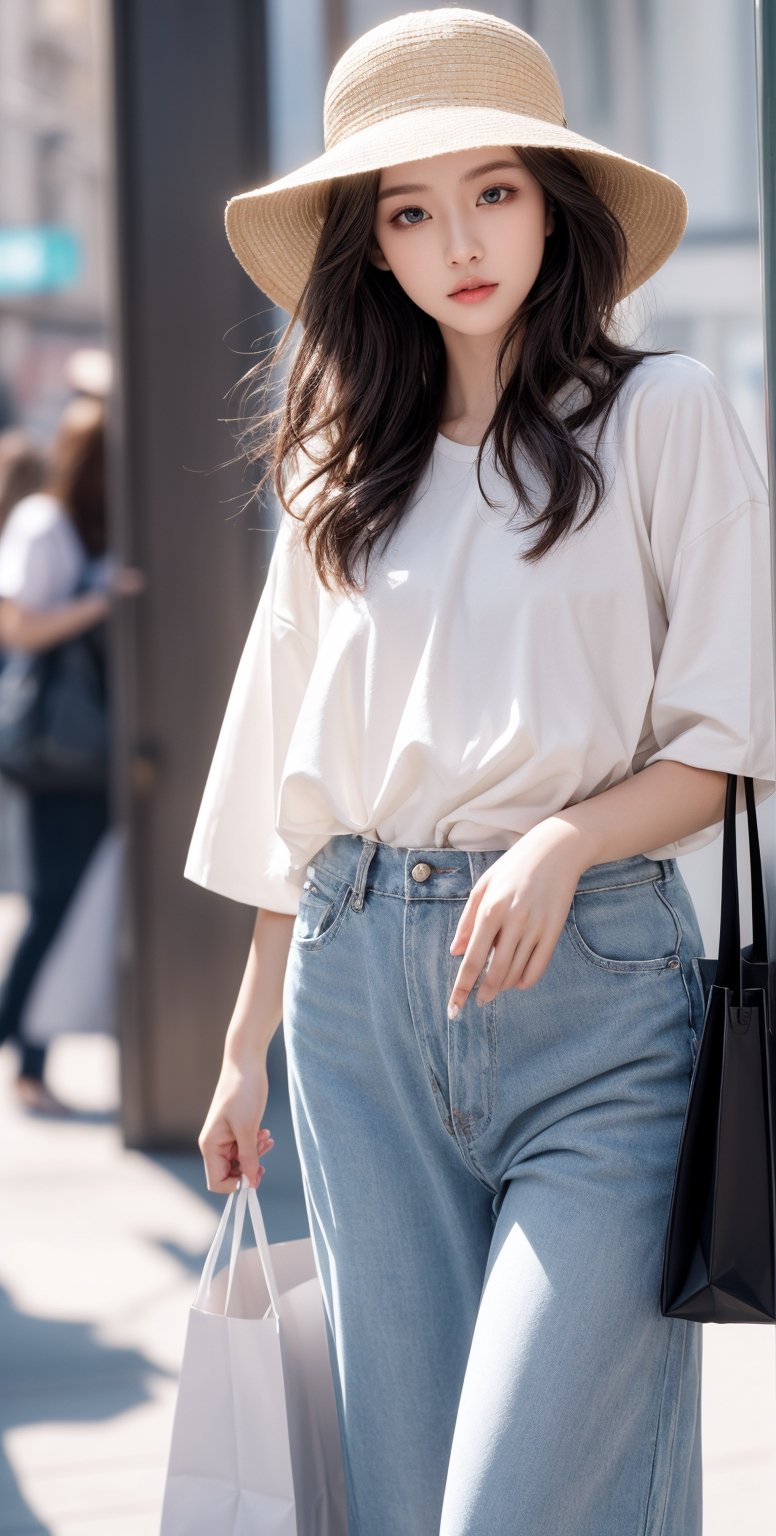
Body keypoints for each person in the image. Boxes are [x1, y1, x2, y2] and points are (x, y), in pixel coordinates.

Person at [185, 11, 776, 1534]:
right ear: (368, 246)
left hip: (597, 1004)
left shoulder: (667, 417)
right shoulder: (339, 463)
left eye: (495, 190)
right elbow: (282, 766)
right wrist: (246, 1049)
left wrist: (564, 839)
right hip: (360, 1001)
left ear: (555, 205)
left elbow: (730, 734)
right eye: (409, 207)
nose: (459, 238)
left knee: (515, 1506)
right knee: (401, 1504)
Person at [0, 394, 144, 1114]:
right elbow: (18, 625)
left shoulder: (99, 528)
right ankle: (21, 1053)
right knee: (52, 905)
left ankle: (30, 1052)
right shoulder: (45, 524)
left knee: (75, 905)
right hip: (52, 755)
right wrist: (101, 601)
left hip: (92, 754)